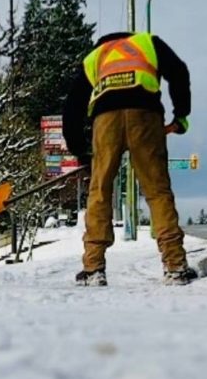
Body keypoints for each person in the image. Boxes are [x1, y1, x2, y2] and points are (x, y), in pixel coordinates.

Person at [63, 30, 197, 286]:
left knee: (100, 191)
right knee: (157, 190)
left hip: (105, 121)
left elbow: (72, 107)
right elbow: (179, 71)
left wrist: (80, 151)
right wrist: (181, 115)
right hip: (145, 115)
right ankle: (175, 265)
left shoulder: (95, 56)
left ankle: (93, 268)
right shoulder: (148, 43)